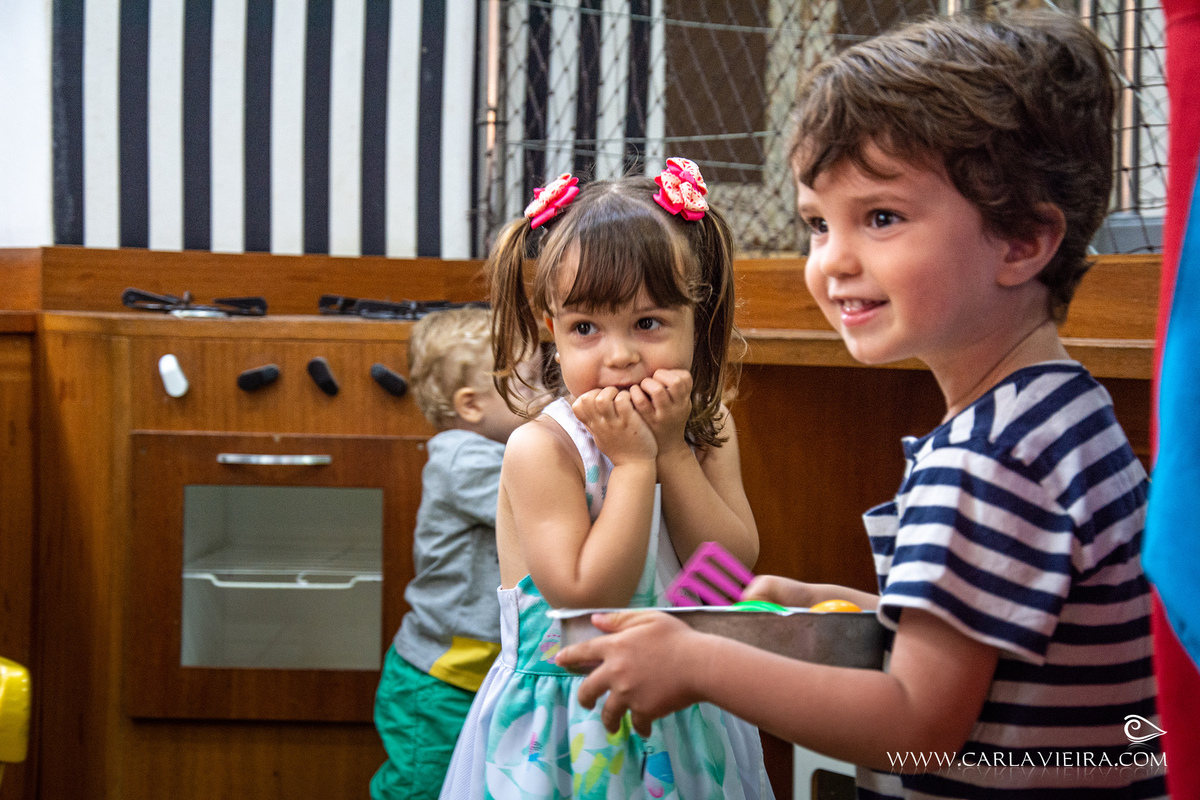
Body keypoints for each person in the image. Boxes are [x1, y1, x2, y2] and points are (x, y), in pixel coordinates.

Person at [555, 12, 1167, 799]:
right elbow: (1014, 645)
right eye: (818, 223)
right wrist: (830, 608)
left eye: (880, 218)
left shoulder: (986, 460)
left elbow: (917, 728)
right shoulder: (1061, 413)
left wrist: (697, 661)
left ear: (1021, 242)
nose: (834, 260)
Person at [439, 164, 773, 799]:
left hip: (683, 707)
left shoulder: (704, 427)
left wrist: (672, 451)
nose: (618, 355)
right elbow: (583, 598)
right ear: (552, 329)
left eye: (648, 323)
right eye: (586, 328)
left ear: (695, 320)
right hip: (569, 726)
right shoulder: (543, 448)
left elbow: (729, 569)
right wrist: (636, 466)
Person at [371, 306, 546, 800]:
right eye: (531, 382)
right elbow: (541, 505)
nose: (550, 394)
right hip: (440, 682)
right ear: (470, 405)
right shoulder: (462, 457)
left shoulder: (487, 451)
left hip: (471, 675)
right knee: (419, 790)